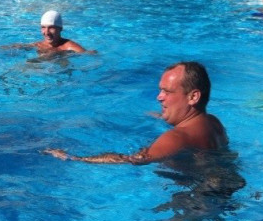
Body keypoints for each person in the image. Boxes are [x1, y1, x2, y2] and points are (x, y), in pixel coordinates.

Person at [44, 61, 228, 164]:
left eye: (167, 92)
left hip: (195, 200)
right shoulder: (214, 123)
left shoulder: (176, 138)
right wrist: (161, 116)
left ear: (193, 97)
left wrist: (75, 157)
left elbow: (133, 160)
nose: (159, 97)